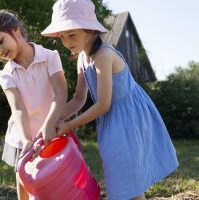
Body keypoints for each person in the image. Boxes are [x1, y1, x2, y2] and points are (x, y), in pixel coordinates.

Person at [41, 0, 179, 199]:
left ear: (90, 30)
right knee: (122, 180)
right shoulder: (82, 58)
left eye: (72, 34)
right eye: (62, 37)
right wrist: (51, 122)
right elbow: (79, 99)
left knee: (128, 183)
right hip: (110, 122)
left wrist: (69, 124)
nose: (67, 41)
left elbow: (103, 104)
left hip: (129, 119)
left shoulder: (103, 55)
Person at [0, 9, 67, 200]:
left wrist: (49, 124)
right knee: (24, 181)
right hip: (21, 137)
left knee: (57, 178)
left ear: (15, 30)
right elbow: (17, 108)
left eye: (0, 41)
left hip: (51, 132)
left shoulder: (50, 57)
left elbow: (60, 93)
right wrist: (26, 140)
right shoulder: (6, 74)